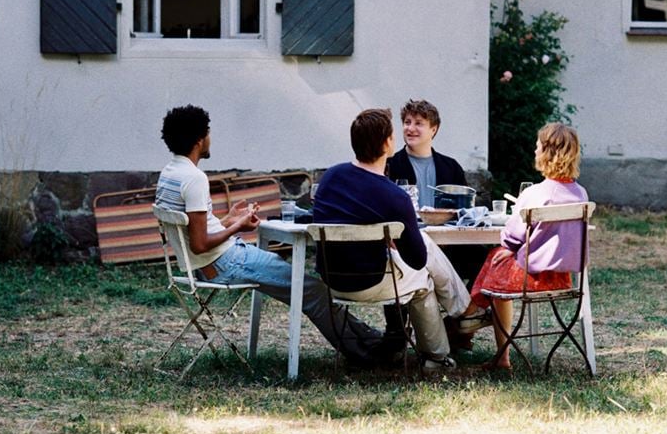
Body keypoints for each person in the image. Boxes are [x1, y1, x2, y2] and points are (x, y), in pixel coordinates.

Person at [154, 104, 392, 368]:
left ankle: (374, 341)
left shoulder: (169, 174)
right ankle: (368, 355)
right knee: (312, 290)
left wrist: (228, 220)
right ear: (199, 139)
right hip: (223, 263)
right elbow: (199, 244)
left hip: (207, 264)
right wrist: (239, 226)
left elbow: (192, 232)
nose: (210, 138)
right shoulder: (194, 178)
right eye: (208, 133)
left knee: (311, 289)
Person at [312, 108, 478, 373]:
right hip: (372, 280)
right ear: (387, 143)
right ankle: (440, 353)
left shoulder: (330, 177)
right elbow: (417, 259)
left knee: (420, 251)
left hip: (332, 279)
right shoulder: (394, 195)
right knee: (423, 278)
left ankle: (463, 313)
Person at [462, 122, 589, 371]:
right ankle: (469, 316)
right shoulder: (581, 194)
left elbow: (512, 233)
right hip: (564, 278)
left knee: (496, 258)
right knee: (497, 260)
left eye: (537, 146)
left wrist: (509, 246)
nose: (534, 151)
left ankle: (469, 318)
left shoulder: (536, 193)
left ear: (547, 152)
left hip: (532, 278)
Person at [386, 98, 489, 347]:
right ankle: (397, 332)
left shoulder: (450, 166)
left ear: (434, 129)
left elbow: (466, 211)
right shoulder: (392, 164)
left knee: (485, 259)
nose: (410, 128)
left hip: (450, 244)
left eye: (419, 123)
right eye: (407, 122)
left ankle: (459, 328)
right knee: (392, 261)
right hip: (409, 245)